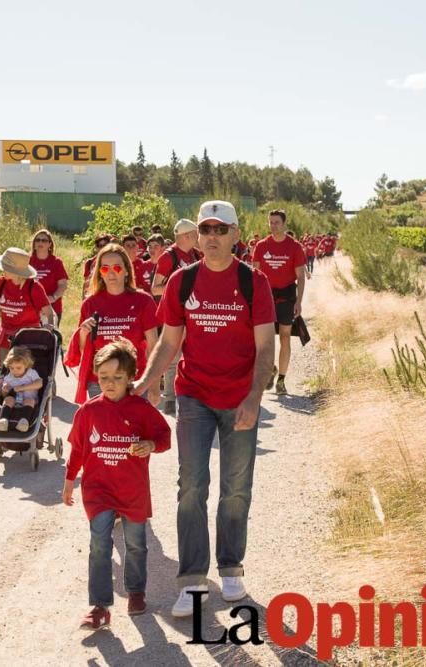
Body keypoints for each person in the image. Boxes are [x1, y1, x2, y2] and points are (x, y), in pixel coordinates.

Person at [132, 200, 275, 618]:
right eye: (204, 229)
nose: (211, 237)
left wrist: (254, 399)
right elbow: (169, 342)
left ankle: (230, 568)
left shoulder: (254, 283)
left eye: (220, 229)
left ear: (235, 235)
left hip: (240, 399)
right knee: (191, 487)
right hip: (193, 396)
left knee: (235, 488)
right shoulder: (182, 281)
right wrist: (146, 382)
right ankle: (192, 580)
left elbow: (266, 348)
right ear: (197, 235)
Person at [63, 339, 171, 629]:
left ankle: (136, 592)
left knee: (136, 545)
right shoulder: (88, 412)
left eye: (117, 378)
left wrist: (150, 444)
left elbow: (165, 437)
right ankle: (100, 607)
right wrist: (69, 480)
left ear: (130, 378)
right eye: (103, 378)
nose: (109, 384)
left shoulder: (141, 409)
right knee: (99, 544)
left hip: (132, 491)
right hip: (98, 492)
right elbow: (78, 449)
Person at [74, 244, 159, 404]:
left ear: (127, 270)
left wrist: (153, 386)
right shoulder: (90, 304)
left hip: (135, 381)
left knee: (135, 429)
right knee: (104, 429)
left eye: (117, 268)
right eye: (105, 269)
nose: (111, 273)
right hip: (100, 381)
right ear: (99, 273)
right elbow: (82, 349)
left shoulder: (143, 301)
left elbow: (153, 346)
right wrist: (83, 333)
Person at [151, 219, 203, 416]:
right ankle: (170, 398)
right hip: (174, 312)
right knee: (172, 356)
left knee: (195, 355)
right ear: (187, 235)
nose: (199, 238)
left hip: (196, 313)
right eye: (196, 234)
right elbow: (155, 288)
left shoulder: (196, 255)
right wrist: (180, 288)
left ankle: (193, 396)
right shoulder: (168, 257)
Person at [252, 209, 306, 395]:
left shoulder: (295, 247)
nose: (273, 225)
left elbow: (300, 276)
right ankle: (270, 368)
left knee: (284, 336)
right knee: (263, 339)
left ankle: (281, 379)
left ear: (284, 224)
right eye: (271, 222)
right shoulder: (261, 246)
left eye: (276, 222)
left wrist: (299, 301)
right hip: (265, 297)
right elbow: (255, 275)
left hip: (287, 297)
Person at [0, 347, 42, 432]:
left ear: (26, 365)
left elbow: (39, 383)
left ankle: (24, 422)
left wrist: (23, 387)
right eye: (11, 368)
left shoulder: (31, 373)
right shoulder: (9, 377)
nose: (15, 371)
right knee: (8, 399)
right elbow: (3, 395)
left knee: (29, 400)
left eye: (18, 368)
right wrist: (4, 389)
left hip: (30, 403)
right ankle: (3, 420)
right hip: (14, 402)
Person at [29, 229, 69, 328]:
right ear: (34, 244)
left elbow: (63, 285)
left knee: (49, 338)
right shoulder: (27, 261)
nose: (40, 242)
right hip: (32, 308)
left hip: (52, 307)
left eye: (44, 240)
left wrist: (53, 297)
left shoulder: (56, 262)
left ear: (50, 244)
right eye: (37, 240)